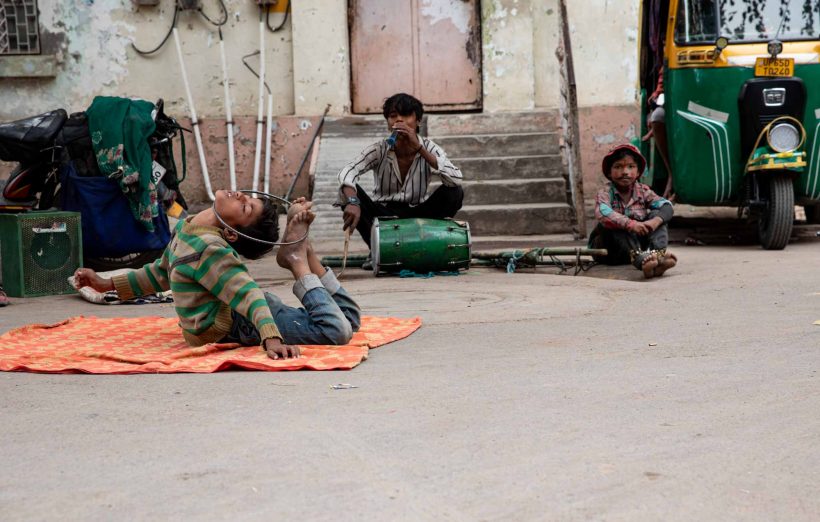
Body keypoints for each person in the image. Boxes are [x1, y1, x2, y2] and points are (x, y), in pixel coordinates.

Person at [72, 191, 361, 360]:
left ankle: (299, 259)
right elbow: (159, 273)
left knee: (336, 331)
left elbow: (248, 294)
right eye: (247, 197)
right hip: (247, 313)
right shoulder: (185, 228)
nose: (240, 195)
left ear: (230, 232)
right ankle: (303, 251)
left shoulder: (210, 249)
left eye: (244, 206)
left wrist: (270, 337)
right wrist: (106, 283)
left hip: (246, 321)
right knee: (349, 320)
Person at [338, 93, 464, 267]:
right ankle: (376, 248)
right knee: (346, 192)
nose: (398, 121)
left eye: (405, 115)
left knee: (454, 192)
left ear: (418, 121)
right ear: (388, 122)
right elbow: (348, 171)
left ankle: (429, 241)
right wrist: (353, 201)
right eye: (392, 116)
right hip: (384, 215)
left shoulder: (429, 148)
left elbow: (456, 179)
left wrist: (420, 149)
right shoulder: (379, 149)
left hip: (420, 215)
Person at [589, 144, 677, 279]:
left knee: (657, 214)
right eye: (618, 167)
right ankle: (641, 261)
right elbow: (603, 212)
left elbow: (666, 205)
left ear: (638, 172)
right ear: (609, 172)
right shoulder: (605, 193)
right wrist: (631, 224)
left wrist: (654, 221)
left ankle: (658, 257)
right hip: (611, 251)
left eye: (631, 167)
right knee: (611, 223)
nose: (625, 172)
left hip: (638, 246)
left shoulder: (643, 191)